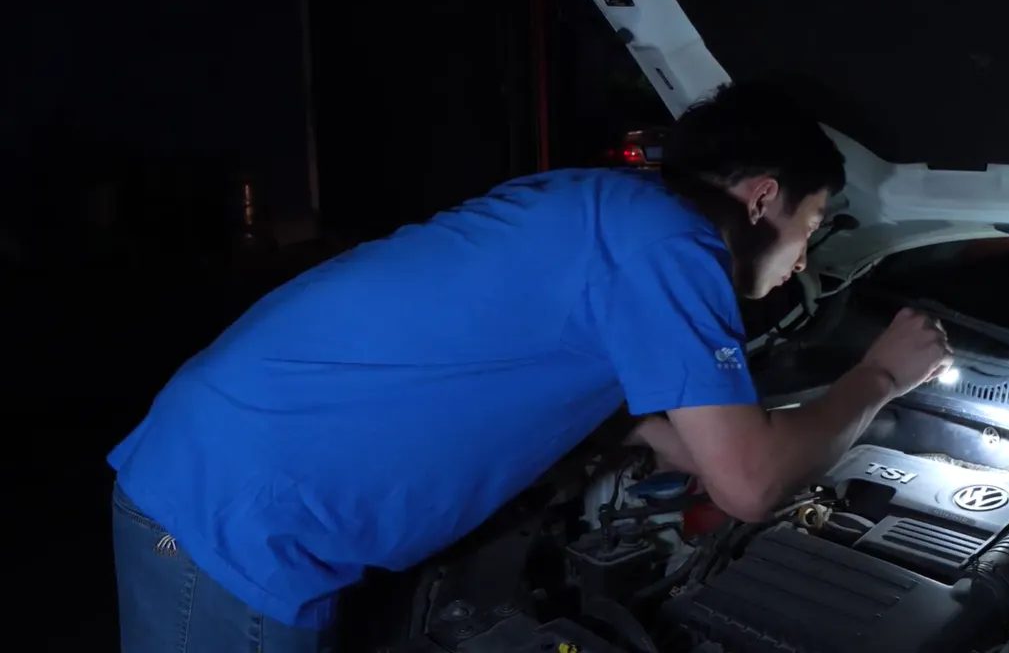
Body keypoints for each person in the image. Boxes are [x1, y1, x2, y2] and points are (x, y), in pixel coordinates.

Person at [107, 79, 954, 653]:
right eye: (813, 225)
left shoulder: (602, 208)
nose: (804, 258)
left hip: (224, 472)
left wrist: (686, 446)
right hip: (241, 520)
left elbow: (590, 392)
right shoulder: (671, 243)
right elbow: (749, 486)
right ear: (763, 196)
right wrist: (879, 376)